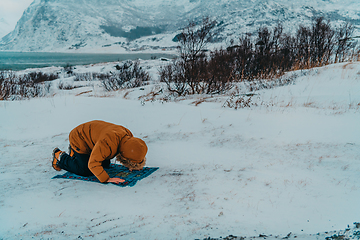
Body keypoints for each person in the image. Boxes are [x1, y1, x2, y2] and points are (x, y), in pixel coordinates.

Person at [52, 120, 148, 184]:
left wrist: (132, 164)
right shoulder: (107, 143)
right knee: (86, 170)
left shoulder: (127, 136)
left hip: (93, 139)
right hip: (79, 138)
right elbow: (93, 164)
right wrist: (107, 179)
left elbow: (129, 149)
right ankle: (61, 157)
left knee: (105, 165)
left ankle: (75, 154)